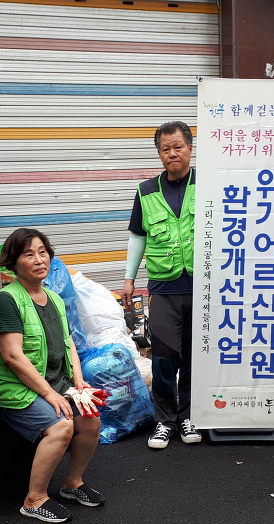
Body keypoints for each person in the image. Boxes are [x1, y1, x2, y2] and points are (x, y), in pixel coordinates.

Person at [0, 228, 106, 523]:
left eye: (43, 252)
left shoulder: (52, 297)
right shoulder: (5, 301)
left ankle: (72, 483)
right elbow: (12, 357)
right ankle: (34, 499)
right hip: (13, 387)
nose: (39, 260)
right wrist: (51, 395)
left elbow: (68, 343)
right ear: (13, 263)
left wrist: (78, 382)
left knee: (90, 417)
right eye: (29, 254)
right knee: (62, 426)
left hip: (53, 382)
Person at [121, 120, 201, 450]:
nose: (172, 154)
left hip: (203, 286)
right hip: (164, 288)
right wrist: (129, 278)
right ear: (159, 154)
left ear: (190, 149)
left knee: (195, 357)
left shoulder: (208, 184)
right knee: (164, 358)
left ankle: (189, 416)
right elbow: (138, 236)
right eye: (165, 149)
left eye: (178, 147)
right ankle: (165, 421)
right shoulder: (146, 191)